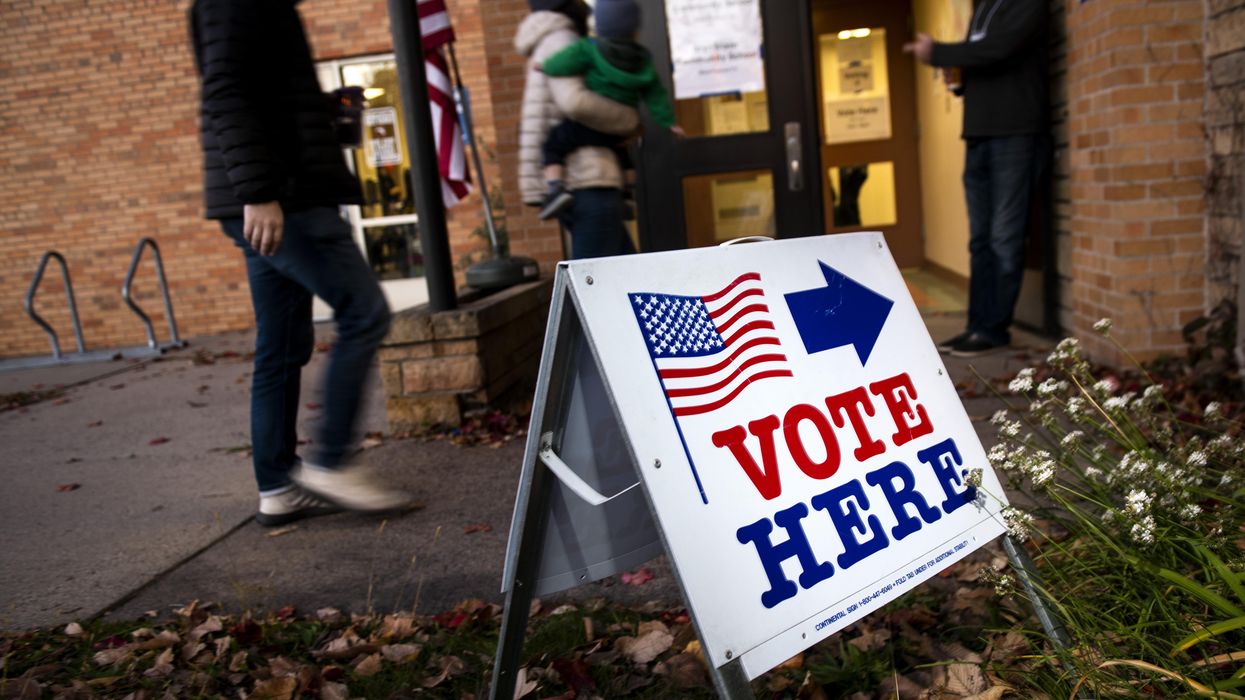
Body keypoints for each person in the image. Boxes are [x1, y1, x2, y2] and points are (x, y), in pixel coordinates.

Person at [190, 0, 412, 525]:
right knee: (365, 312)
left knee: (282, 343)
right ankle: (331, 462)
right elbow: (226, 92)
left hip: (277, 193)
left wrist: (324, 116)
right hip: (284, 200)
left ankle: (278, 486)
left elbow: (267, 96)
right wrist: (259, 190)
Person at [904, 0, 1048, 358]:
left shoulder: (1025, 5)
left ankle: (994, 329)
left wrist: (937, 51)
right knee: (980, 240)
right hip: (979, 134)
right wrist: (959, 80)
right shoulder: (982, 7)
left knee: (1003, 237)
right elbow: (981, 60)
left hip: (1015, 132)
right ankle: (976, 325)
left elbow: (997, 49)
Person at [532, 0, 681, 221]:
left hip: (593, 121)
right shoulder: (642, 60)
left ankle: (555, 189)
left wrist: (545, 66)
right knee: (621, 153)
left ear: (600, 25)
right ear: (636, 30)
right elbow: (655, 94)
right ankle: (628, 193)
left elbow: (565, 63)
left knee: (554, 143)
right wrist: (669, 122)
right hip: (621, 127)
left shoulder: (590, 48)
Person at [515, 0, 641, 259]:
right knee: (593, 282)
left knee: (622, 278)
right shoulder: (563, 40)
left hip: (579, 180)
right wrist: (629, 120)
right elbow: (575, 101)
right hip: (588, 178)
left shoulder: (551, 40)